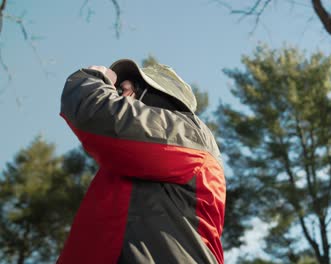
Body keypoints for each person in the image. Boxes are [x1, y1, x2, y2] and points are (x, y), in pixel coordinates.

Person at [58, 59, 226, 264]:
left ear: (160, 95)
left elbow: (96, 112)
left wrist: (94, 78)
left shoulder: (188, 134)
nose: (120, 94)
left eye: (125, 89)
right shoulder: (124, 170)